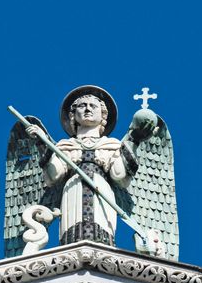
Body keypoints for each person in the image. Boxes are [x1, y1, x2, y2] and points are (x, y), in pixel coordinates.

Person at [25, 86, 139, 245]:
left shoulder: (112, 145)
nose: (87, 109)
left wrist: (134, 140)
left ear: (103, 115)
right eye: (82, 106)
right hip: (73, 189)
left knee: (102, 235)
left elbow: (118, 176)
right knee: (73, 236)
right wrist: (42, 143)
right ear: (73, 115)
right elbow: (54, 176)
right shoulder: (65, 146)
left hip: (101, 188)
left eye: (93, 106)